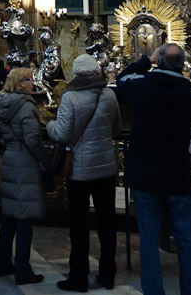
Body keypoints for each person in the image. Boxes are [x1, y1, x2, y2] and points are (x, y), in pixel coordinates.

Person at [116, 43, 191, 295]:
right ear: (182, 65)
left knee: (149, 241)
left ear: (159, 61)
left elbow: (121, 79)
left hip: (146, 176)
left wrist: (146, 60)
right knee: (186, 240)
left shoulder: (141, 88)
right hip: (177, 175)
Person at [47, 54, 122, 293]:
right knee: (107, 222)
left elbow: (61, 134)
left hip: (79, 170)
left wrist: (48, 125)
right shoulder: (109, 94)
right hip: (106, 168)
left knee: (79, 225)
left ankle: (78, 277)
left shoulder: (70, 97)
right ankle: (108, 274)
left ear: (76, 74)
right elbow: (116, 129)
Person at [0, 67, 50, 285]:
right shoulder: (26, 106)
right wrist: (45, 160)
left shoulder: (4, 103)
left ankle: (2, 263)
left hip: (10, 158)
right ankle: (22, 269)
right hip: (25, 161)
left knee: (9, 216)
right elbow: (33, 139)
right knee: (25, 217)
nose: (33, 84)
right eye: (29, 80)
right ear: (20, 83)